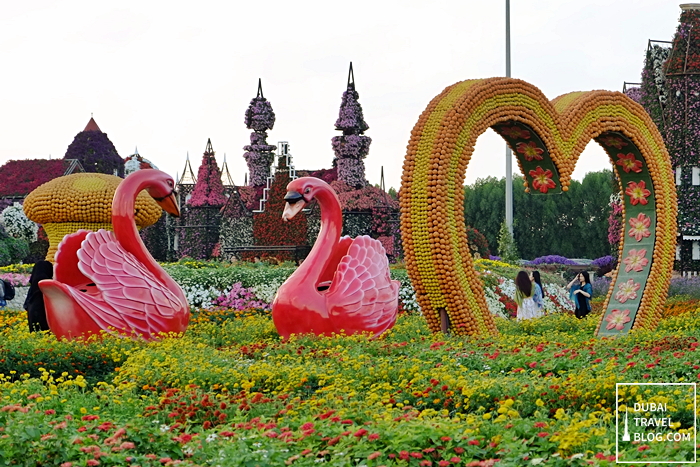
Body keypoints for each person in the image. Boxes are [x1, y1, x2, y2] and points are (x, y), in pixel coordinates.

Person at [24, 261, 53, 332]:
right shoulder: (46, 283)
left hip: (32, 313)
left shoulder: (34, 284)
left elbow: (26, 304)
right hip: (44, 315)